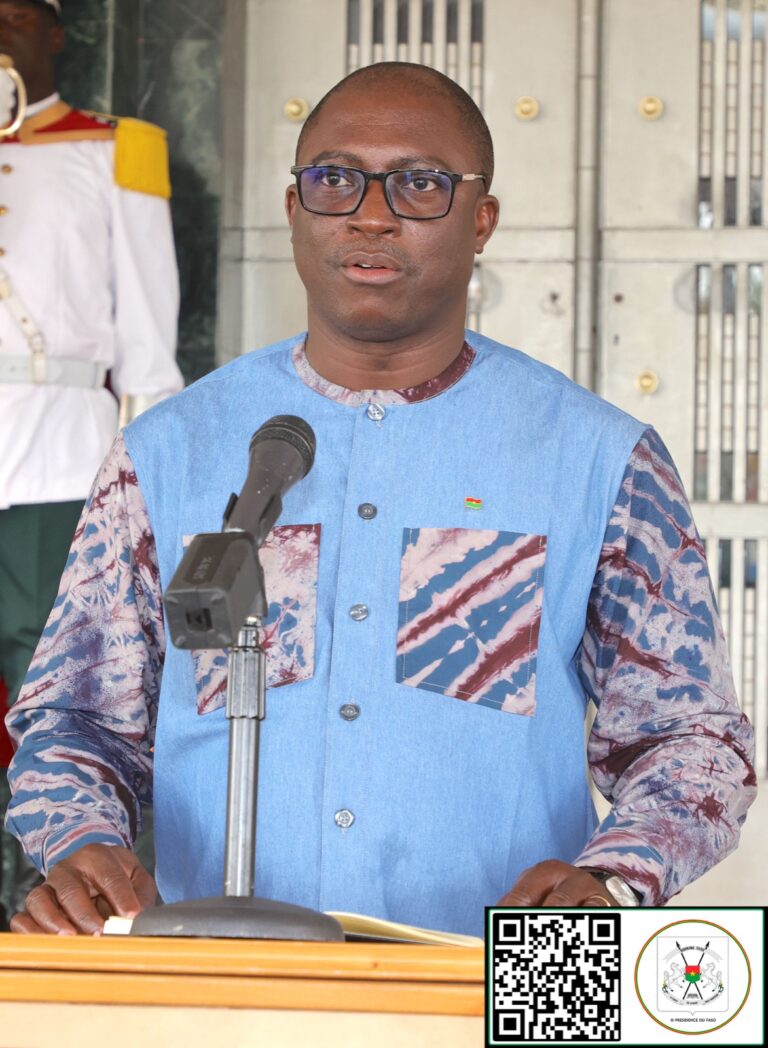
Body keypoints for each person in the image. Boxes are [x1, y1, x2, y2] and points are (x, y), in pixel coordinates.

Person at [4, 62, 756, 937]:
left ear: (482, 221)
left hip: (512, 966)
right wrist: (83, 840)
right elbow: (74, 719)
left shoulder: (601, 456)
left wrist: (612, 879)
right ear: (294, 209)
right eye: (335, 179)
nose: (371, 214)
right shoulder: (168, 451)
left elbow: (692, 739)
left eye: (419, 184)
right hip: (224, 962)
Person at [0, 0, 182, 929]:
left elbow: (149, 341)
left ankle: (70, 914)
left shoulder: (117, 149)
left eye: (16, 13)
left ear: (56, 31)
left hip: (63, 465)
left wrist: (142, 483)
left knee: (62, 704)